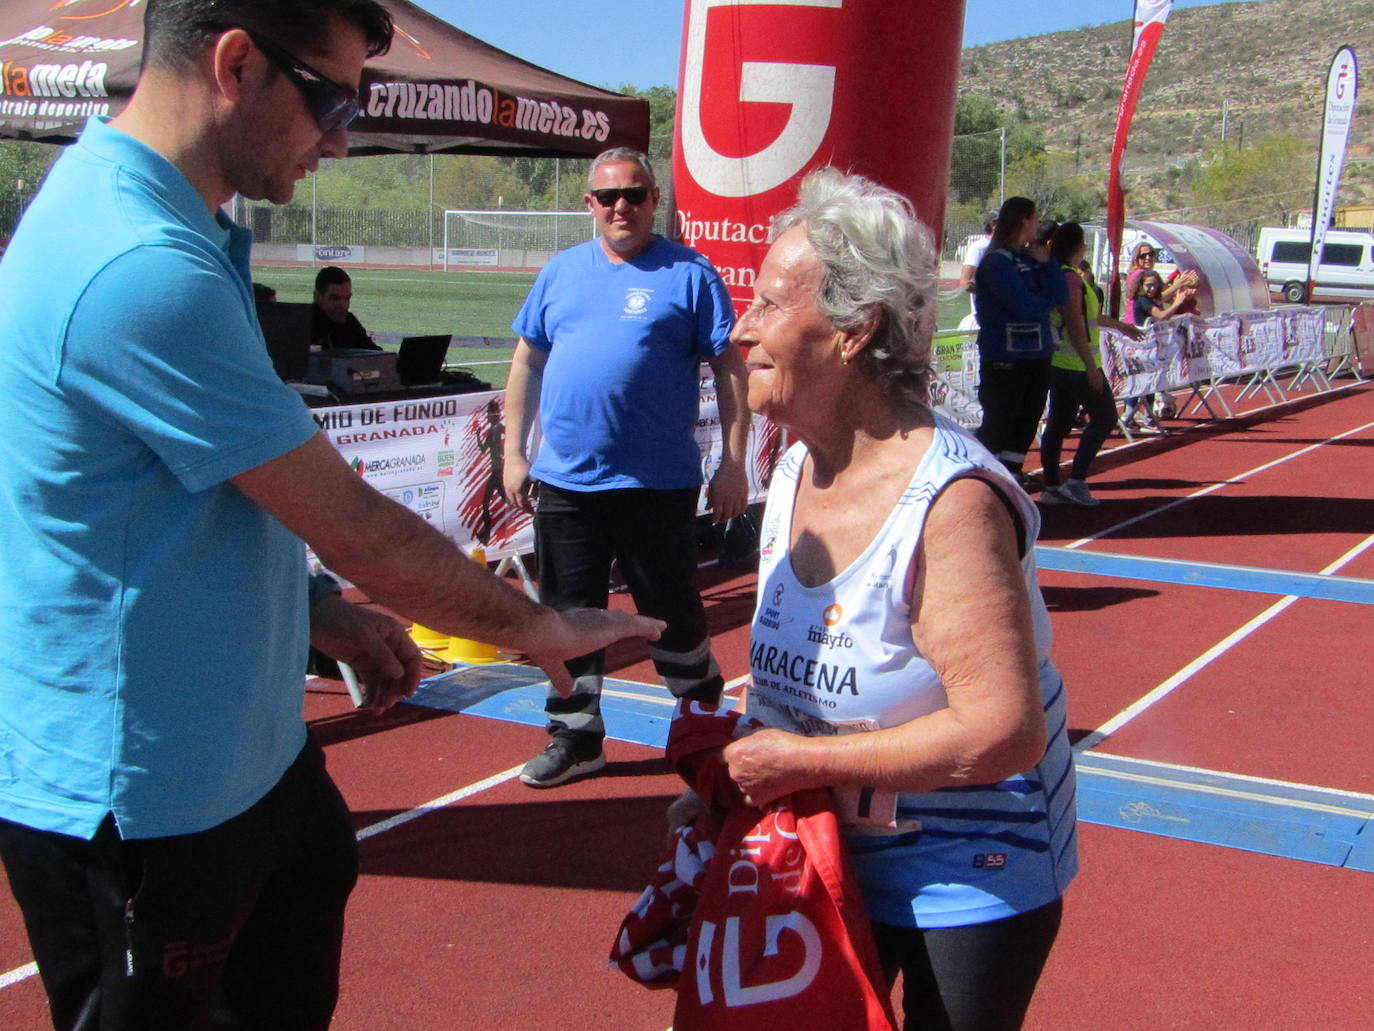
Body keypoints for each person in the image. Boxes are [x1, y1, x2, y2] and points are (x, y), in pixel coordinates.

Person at [0, 5, 663, 1030]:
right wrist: (534, 624)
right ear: (235, 63)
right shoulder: (134, 261)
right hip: (142, 796)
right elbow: (356, 525)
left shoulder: (184, 222)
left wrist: (314, 608)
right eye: (334, 102)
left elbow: (203, 486)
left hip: (249, 755)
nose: (344, 141)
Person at [726, 167, 1077, 1031]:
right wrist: (732, 784)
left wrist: (799, 763)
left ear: (857, 329)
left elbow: (1002, 732)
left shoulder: (952, 502)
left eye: (769, 304)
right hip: (826, 853)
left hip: (967, 869)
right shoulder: (794, 468)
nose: (742, 328)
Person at [501, 147, 750, 789]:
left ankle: (705, 730)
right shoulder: (561, 272)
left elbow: (730, 370)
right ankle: (576, 739)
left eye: (635, 194)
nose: (621, 206)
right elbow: (527, 362)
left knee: (671, 613)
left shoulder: (690, 274)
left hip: (656, 484)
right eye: (608, 196)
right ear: (589, 203)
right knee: (565, 618)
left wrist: (733, 462)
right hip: (566, 483)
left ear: (654, 201)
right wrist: (514, 453)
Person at [1039, 222, 1144, 506]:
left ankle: (1052, 485)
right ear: (1079, 247)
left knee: (1059, 422)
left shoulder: (1063, 276)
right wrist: (1090, 367)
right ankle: (1075, 481)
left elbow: (1086, 318)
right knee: (1105, 417)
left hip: (1062, 362)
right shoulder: (1069, 279)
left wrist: (1120, 325)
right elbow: (1075, 324)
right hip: (1074, 364)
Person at [973, 196, 1068, 482]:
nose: (1038, 225)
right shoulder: (996, 262)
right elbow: (1024, 306)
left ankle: (1012, 478)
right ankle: (980, 482)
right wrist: (1045, 301)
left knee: (1026, 424)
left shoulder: (1031, 258)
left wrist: (1048, 266)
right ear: (1024, 219)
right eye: (1036, 218)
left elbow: (1061, 296)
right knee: (999, 425)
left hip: (1037, 356)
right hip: (1005, 359)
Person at [1122, 270, 1195, 432]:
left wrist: (1180, 292)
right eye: (1148, 285)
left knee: (1148, 383)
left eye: (1155, 285)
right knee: (1143, 383)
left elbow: (1160, 302)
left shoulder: (1150, 299)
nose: (1152, 288)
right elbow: (1161, 315)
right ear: (1141, 285)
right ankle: (1133, 418)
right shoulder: (1142, 300)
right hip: (1141, 348)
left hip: (1149, 347)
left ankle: (1140, 418)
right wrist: (1177, 303)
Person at [311, 264, 379, 350]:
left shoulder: (350, 322)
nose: (343, 305)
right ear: (318, 297)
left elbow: (375, 353)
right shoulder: (301, 325)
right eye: (335, 298)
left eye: (347, 298)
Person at [956, 210, 996, 309]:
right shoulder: (979, 248)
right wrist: (990, 292)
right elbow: (964, 282)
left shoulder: (1008, 247)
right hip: (985, 312)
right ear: (993, 224)